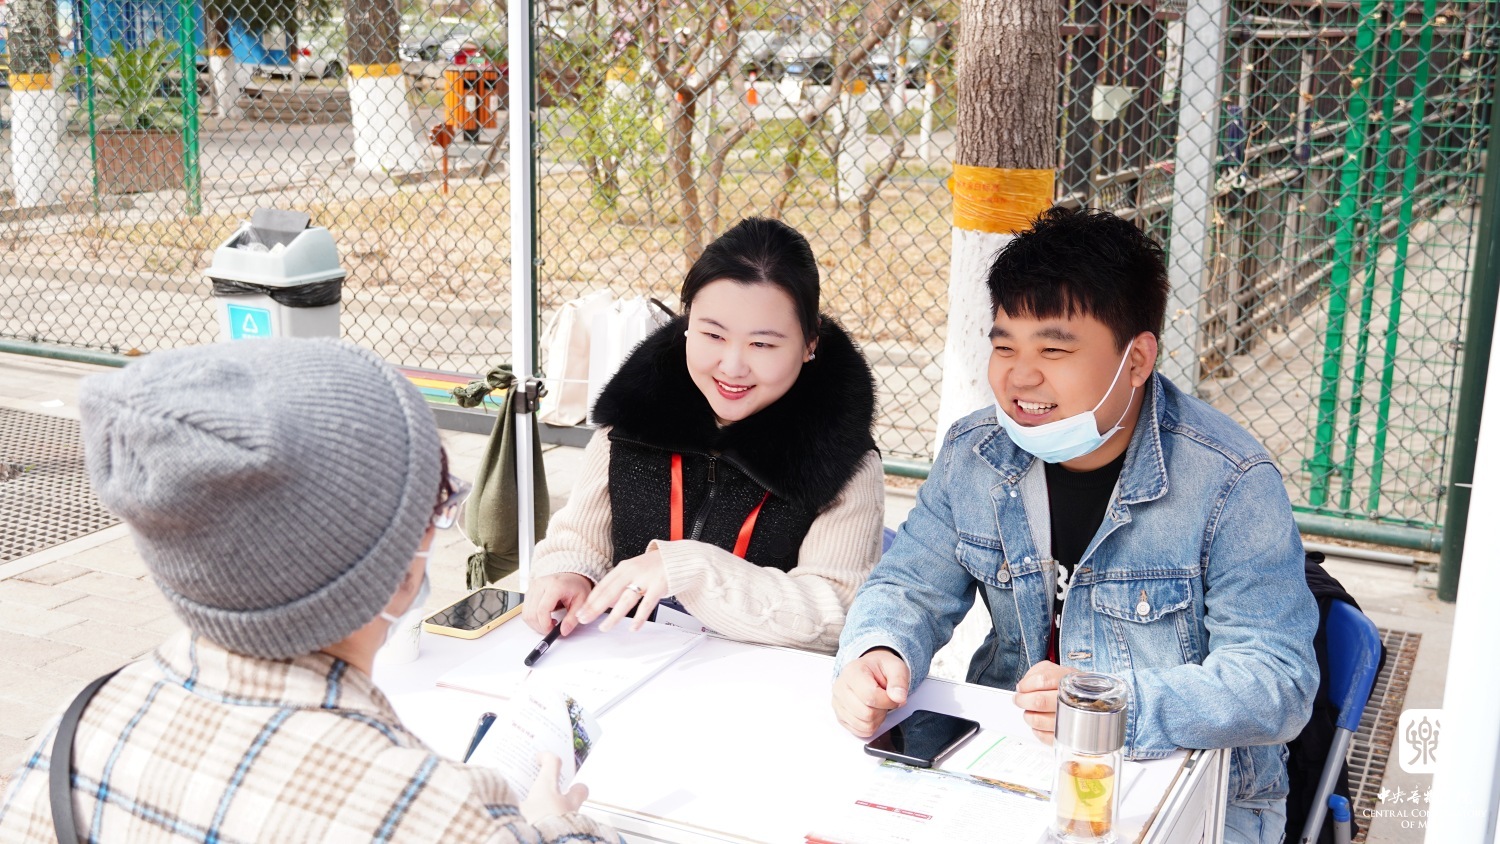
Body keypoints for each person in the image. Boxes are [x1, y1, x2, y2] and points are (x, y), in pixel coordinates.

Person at [0, 339, 620, 844]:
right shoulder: (431, 811)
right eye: (436, 507)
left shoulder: (78, 727)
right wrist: (553, 827)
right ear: (396, 571)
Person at [830, 208, 1318, 843]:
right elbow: (909, 587)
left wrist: (1105, 707)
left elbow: (1277, 680)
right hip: (1008, 762)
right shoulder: (975, 453)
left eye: (1054, 350)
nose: (1019, 376)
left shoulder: (1230, 480)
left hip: (1196, 792)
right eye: (1005, 346)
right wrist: (876, 651)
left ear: (1136, 359)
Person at [522, 217, 884, 654]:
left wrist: (693, 570)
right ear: (687, 324)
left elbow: (834, 612)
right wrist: (570, 572)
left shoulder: (843, 461)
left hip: (754, 681)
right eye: (713, 335)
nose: (731, 367)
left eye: (762, 345)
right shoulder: (634, 416)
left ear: (810, 344)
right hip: (623, 663)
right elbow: (580, 538)